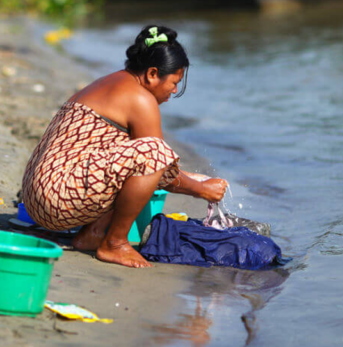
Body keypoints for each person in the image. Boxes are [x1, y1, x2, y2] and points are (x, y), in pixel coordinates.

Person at [21, 25, 229, 268]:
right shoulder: (140, 99)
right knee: (154, 151)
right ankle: (115, 243)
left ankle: (94, 234)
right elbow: (158, 165)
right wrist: (202, 189)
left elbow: (140, 166)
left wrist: (192, 179)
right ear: (152, 74)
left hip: (37, 195)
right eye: (174, 82)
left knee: (140, 150)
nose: (173, 91)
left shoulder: (112, 82)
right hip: (55, 201)